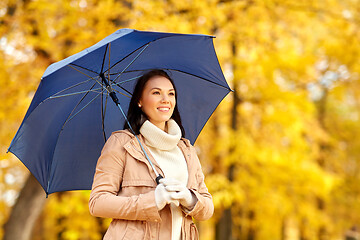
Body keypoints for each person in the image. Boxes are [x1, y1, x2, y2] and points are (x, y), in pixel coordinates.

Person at [89, 69, 214, 240]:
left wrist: (189, 198)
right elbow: (98, 202)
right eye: (156, 92)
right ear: (139, 100)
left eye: (171, 94)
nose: (166, 100)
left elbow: (207, 208)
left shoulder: (187, 150)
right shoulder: (122, 144)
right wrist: (151, 201)